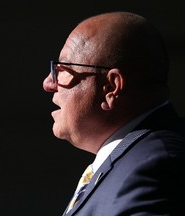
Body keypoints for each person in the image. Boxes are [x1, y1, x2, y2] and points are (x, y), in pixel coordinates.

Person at [43, 11, 185, 216]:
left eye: (63, 69)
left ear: (111, 87)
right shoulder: (136, 159)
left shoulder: (154, 166)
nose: (48, 83)